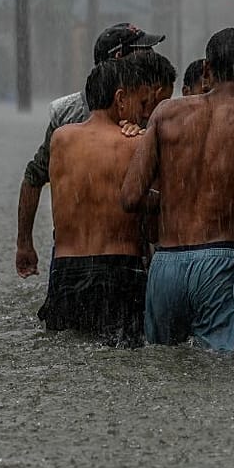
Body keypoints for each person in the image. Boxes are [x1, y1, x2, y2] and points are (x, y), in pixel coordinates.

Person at [121, 27, 234, 352]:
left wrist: (176, 199)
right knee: (221, 379)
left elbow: (131, 196)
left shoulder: (165, 113)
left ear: (206, 69)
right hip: (223, 263)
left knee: (162, 371)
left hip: (166, 266)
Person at [38, 51, 175, 346]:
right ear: (120, 98)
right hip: (118, 273)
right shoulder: (136, 144)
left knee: (68, 357)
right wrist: (146, 138)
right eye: (141, 103)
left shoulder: (60, 140)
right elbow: (165, 205)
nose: (143, 113)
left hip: (65, 273)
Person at [16, 22, 164, 278]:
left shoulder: (153, 103)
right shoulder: (68, 115)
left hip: (101, 258)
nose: (152, 58)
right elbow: (34, 177)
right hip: (100, 259)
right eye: (144, 52)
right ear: (120, 59)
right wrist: (24, 243)